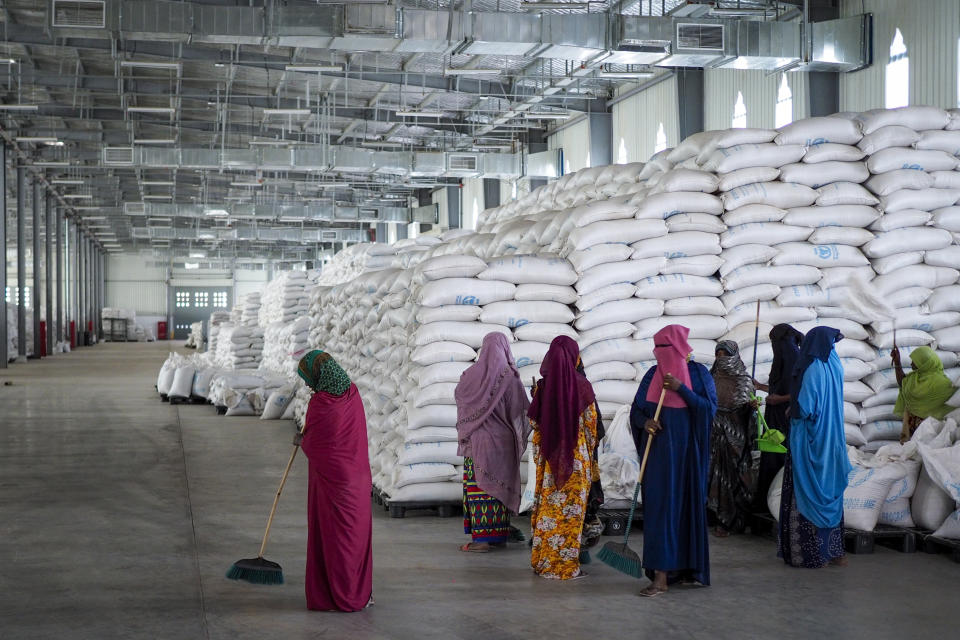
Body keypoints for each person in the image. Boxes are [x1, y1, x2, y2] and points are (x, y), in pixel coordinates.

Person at [629, 325, 717, 597]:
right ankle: (660, 577)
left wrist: (683, 390)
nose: (660, 355)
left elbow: (709, 410)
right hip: (658, 459)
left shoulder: (698, 374)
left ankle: (686, 569)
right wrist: (647, 423)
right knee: (660, 512)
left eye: (665, 350)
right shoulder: (651, 375)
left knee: (685, 510)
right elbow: (636, 411)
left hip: (688, 458)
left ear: (678, 350)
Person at [295, 350, 373, 612]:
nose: (307, 384)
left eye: (308, 378)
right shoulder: (353, 393)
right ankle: (357, 592)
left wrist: (302, 439)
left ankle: (336, 596)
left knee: (333, 538)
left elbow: (317, 444)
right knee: (354, 538)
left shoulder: (321, 402)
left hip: (333, 484)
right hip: (358, 481)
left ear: (318, 376)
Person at [778, 327, 851, 569]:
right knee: (831, 493)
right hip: (833, 441)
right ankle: (835, 553)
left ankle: (809, 555)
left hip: (811, 441)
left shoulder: (812, 368)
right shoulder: (835, 365)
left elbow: (806, 408)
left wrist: (793, 410)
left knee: (805, 492)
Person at [528, 335, 599, 580]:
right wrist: (588, 457)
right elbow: (592, 428)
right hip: (575, 462)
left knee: (548, 512)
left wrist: (541, 457)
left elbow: (534, 425)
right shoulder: (583, 387)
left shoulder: (542, 387)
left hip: (549, 462)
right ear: (574, 357)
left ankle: (544, 563)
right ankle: (565, 568)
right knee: (570, 515)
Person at [455, 332, 531, 553]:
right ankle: (497, 535)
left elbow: (460, 398)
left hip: (477, 443)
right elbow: (520, 410)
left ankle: (482, 540)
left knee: (479, 487)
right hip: (503, 444)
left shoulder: (469, 376)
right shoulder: (510, 377)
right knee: (497, 488)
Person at [707, 340, 757, 537]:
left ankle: (734, 521)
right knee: (713, 477)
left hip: (734, 441)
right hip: (713, 438)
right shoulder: (710, 378)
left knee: (734, 477)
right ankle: (717, 519)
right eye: (718, 355)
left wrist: (751, 410)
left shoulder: (744, 381)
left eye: (725, 355)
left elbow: (749, 416)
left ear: (734, 356)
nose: (721, 360)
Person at [753, 324, 803, 510]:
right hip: (775, 418)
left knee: (780, 459)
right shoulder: (783, 360)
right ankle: (766, 504)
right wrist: (760, 387)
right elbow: (779, 387)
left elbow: (801, 392)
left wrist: (778, 399)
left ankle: (777, 503)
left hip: (786, 419)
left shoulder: (795, 359)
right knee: (771, 458)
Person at [892, 345, 955, 443]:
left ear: (925, 363)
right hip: (912, 429)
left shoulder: (943, 383)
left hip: (932, 431)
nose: (911, 363)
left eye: (915, 361)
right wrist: (897, 362)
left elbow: (952, 405)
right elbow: (902, 383)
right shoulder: (914, 378)